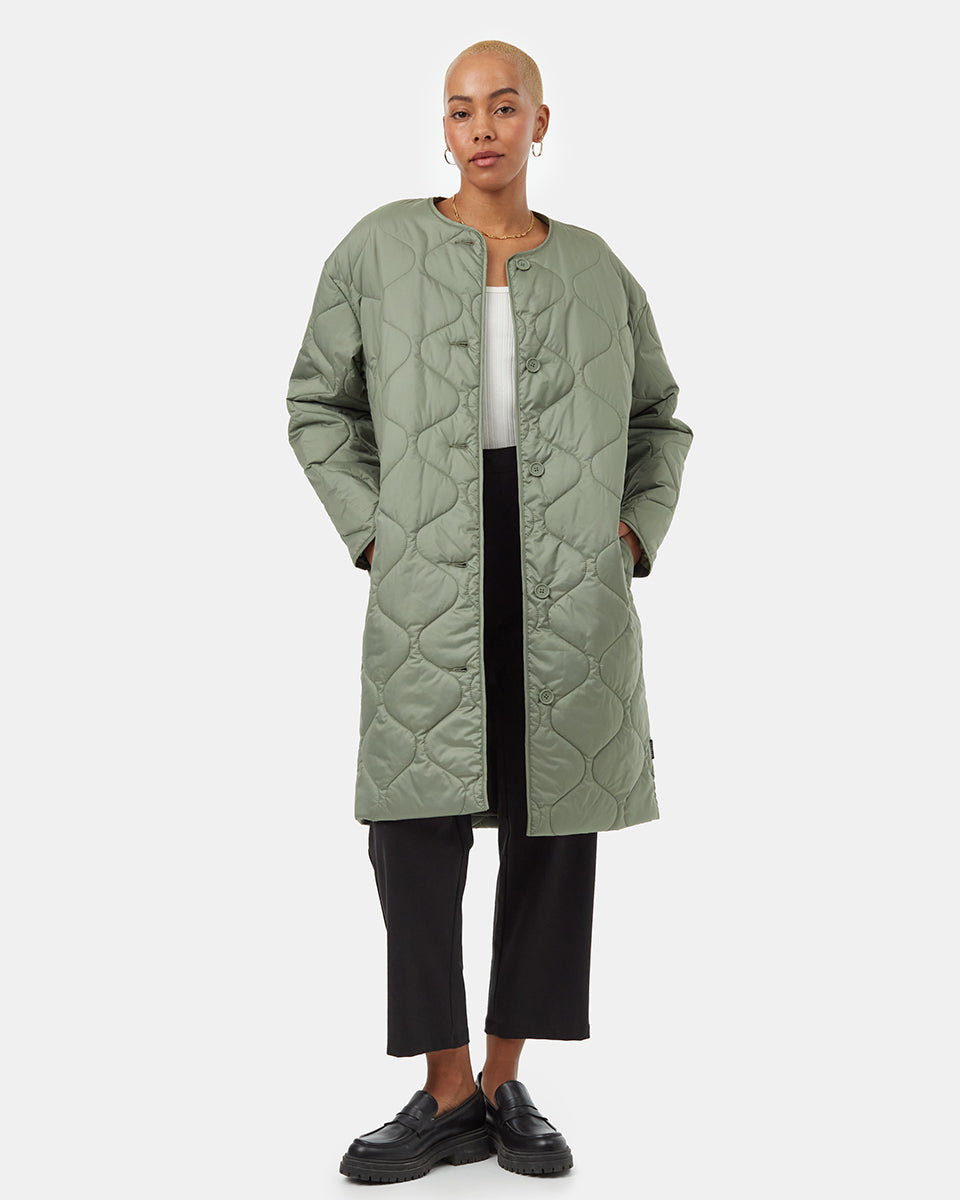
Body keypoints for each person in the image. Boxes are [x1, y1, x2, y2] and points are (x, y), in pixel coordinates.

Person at [285, 39, 694, 1183]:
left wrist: (631, 534)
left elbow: (658, 419)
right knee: (411, 830)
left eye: (504, 108)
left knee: (553, 822)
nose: (482, 129)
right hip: (430, 566)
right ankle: (446, 1087)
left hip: (569, 570)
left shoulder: (598, 268)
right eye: (462, 110)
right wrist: (376, 530)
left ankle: (505, 1082)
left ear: (540, 123)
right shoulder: (378, 249)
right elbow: (317, 403)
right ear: (444, 127)